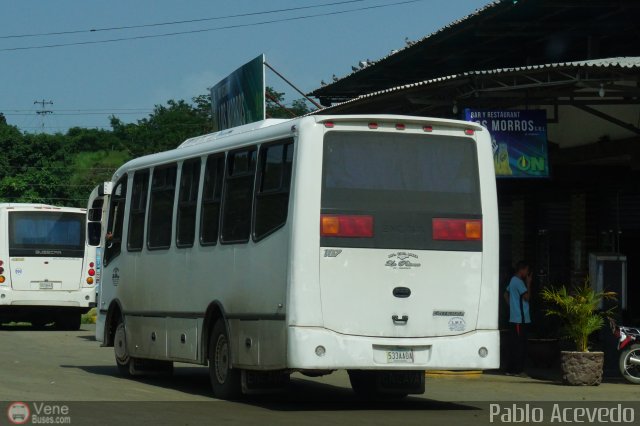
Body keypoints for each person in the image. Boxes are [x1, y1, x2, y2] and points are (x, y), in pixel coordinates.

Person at [504, 261, 532, 376]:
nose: (528, 273)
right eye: (527, 270)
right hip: (520, 319)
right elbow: (527, 297)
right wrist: (529, 283)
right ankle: (518, 370)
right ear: (522, 270)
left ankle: (510, 369)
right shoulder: (520, 282)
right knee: (520, 346)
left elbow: (505, 294)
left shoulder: (512, 280)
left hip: (515, 318)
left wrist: (512, 306)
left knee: (514, 344)